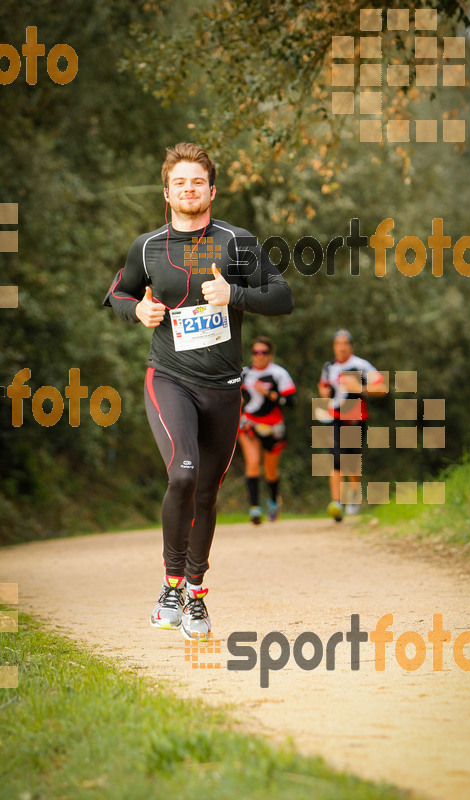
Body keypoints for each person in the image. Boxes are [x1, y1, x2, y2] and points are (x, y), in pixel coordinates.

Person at [104, 143, 294, 640]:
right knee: (183, 472)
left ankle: (195, 595)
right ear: (167, 193)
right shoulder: (147, 247)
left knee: (207, 493)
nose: (189, 189)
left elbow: (283, 296)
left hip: (224, 387)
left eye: (198, 182)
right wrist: (135, 311)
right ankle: (169, 584)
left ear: (212, 190)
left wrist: (237, 294)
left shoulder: (237, 242)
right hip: (169, 377)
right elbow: (118, 292)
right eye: (179, 183)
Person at [317, 329, 386, 522]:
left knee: (352, 460)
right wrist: (323, 392)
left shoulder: (361, 365)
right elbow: (322, 385)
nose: (341, 347)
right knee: (336, 459)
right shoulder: (328, 366)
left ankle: (355, 494)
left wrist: (361, 388)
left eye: (345, 343)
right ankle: (337, 503)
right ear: (334, 346)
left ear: (350, 346)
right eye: (338, 343)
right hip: (334, 417)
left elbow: (382, 388)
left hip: (356, 418)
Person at [239, 336, 296, 524]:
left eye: (263, 352)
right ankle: (254, 508)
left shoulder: (279, 374)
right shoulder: (244, 374)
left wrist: (270, 394)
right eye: (256, 352)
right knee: (253, 463)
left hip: (273, 427)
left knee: (271, 471)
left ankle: (273, 500)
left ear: (270, 354)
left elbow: (291, 402)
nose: (259, 356)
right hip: (249, 423)